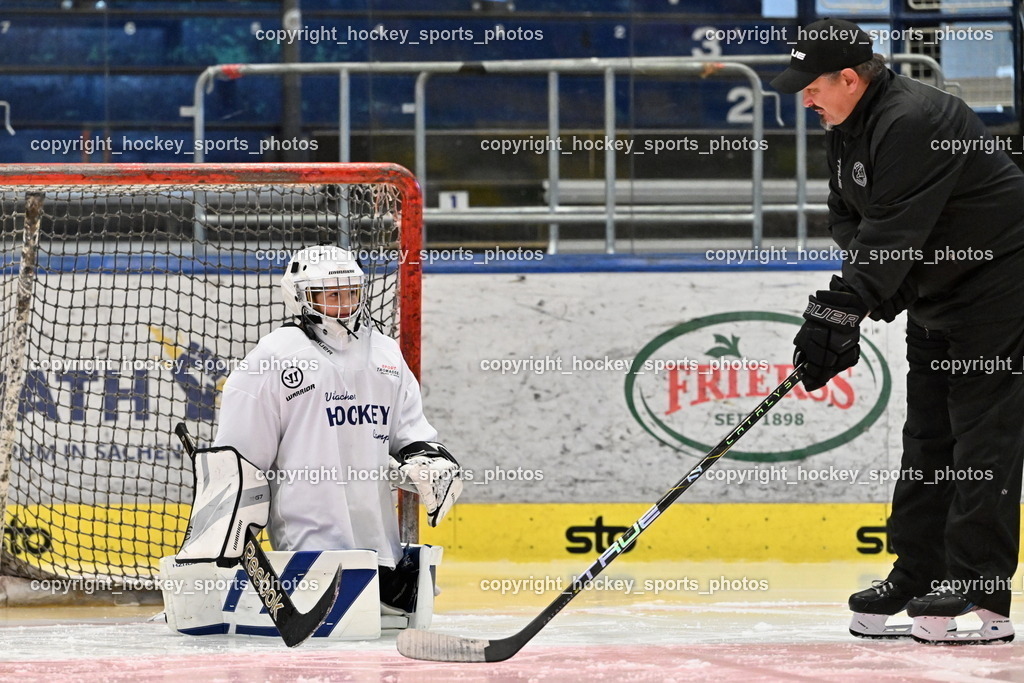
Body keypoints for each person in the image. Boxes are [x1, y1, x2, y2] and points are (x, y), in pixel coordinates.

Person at [772, 17, 1024, 644]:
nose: (804, 97)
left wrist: (843, 309)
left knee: (981, 433)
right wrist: (862, 303)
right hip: (936, 287)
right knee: (927, 434)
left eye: (811, 86)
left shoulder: (913, 120)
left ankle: (981, 587)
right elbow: (847, 218)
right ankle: (918, 571)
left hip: (998, 285)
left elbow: (890, 234)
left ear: (850, 78)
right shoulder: (850, 122)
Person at [179, 244, 463, 619]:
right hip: (306, 551)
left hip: (381, 551)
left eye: (350, 292)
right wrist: (216, 556)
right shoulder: (273, 358)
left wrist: (429, 461)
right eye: (331, 294)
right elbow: (239, 463)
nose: (344, 303)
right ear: (299, 297)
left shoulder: (385, 354)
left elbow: (410, 432)